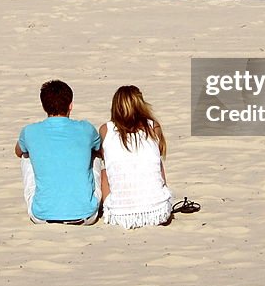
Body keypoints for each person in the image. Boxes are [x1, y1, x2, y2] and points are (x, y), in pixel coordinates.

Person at [15, 80, 102, 224]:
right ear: (70, 105)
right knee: (94, 152)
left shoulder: (30, 131)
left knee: (26, 154)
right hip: (87, 215)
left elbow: (18, 151)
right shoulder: (86, 128)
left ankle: (49, 201)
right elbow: (99, 150)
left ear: (44, 106)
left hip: (41, 216)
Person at [100, 85, 173, 229]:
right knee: (155, 163)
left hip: (120, 216)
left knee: (104, 171)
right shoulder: (153, 127)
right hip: (158, 212)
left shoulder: (106, 130)